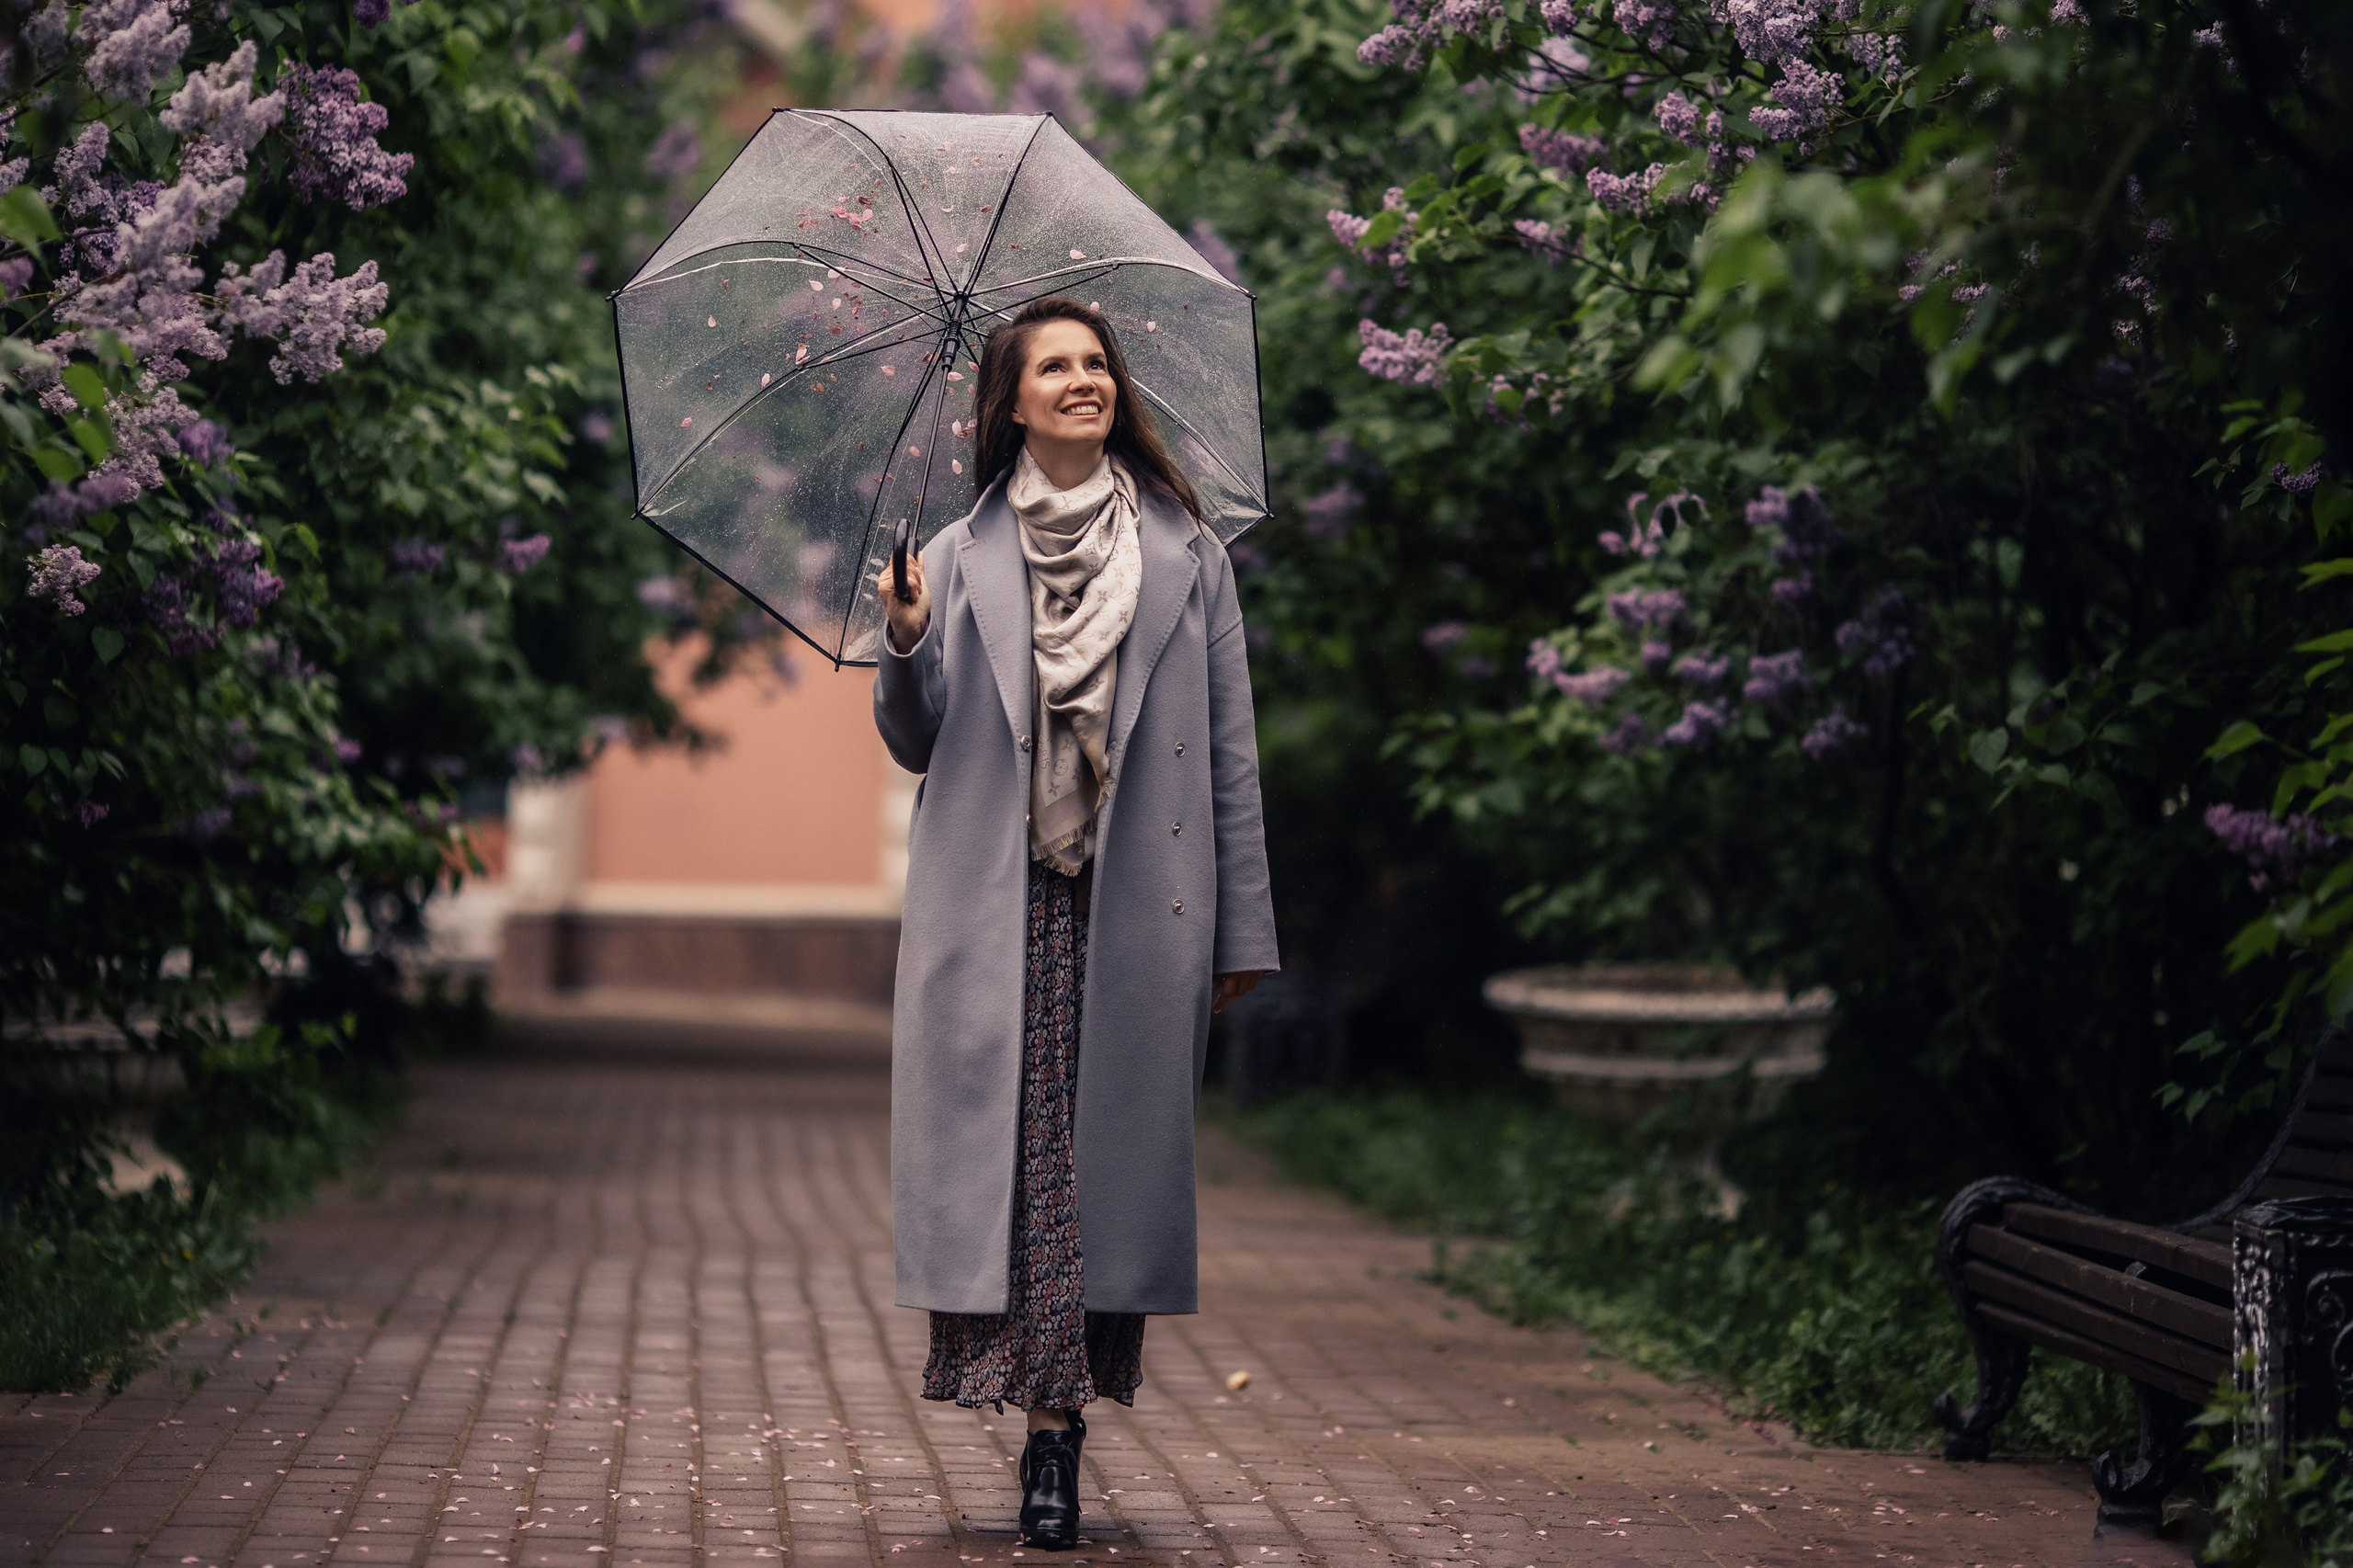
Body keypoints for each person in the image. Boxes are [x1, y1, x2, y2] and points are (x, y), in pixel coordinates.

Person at [871, 297, 1279, 1550]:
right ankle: (1052, 1432)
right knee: (1025, 1164)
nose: (1084, 380)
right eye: (1056, 366)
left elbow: (1229, 754)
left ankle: (1058, 1423)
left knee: (1099, 1171)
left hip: (1134, 902)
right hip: (996, 904)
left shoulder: (1188, 556)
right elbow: (916, 741)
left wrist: (1242, 930)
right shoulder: (954, 558)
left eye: (1098, 362)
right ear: (1013, 401)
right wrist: (906, 641)